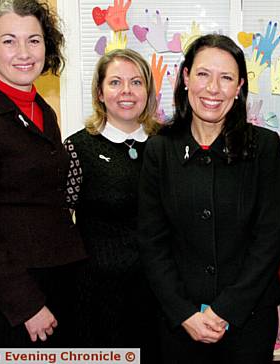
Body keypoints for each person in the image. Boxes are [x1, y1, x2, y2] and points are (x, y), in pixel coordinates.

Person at [0, 0, 86, 347]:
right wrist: (26, 306)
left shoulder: (43, 111)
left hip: (61, 284)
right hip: (15, 300)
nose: (24, 52)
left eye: (34, 40)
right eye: (9, 41)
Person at [138, 34, 280, 363]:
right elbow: (152, 241)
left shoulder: (264, 147)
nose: (213, 89)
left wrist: (227, 309)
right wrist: (184, 313)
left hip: (248, 320)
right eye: (203, 74)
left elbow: (270, 238)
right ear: (186, 77)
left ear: (240, 86)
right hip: (180, 322)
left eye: (227, 78)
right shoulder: (160, 148)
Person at [64, 48, 160, 353]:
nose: (127, 92)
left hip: (157, 296)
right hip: (97, 297)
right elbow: (59, 223)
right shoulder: (78, 148)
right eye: (115, 82)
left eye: (136, 82)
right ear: (100, 92)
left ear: (148, 91)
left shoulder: (166, 146)